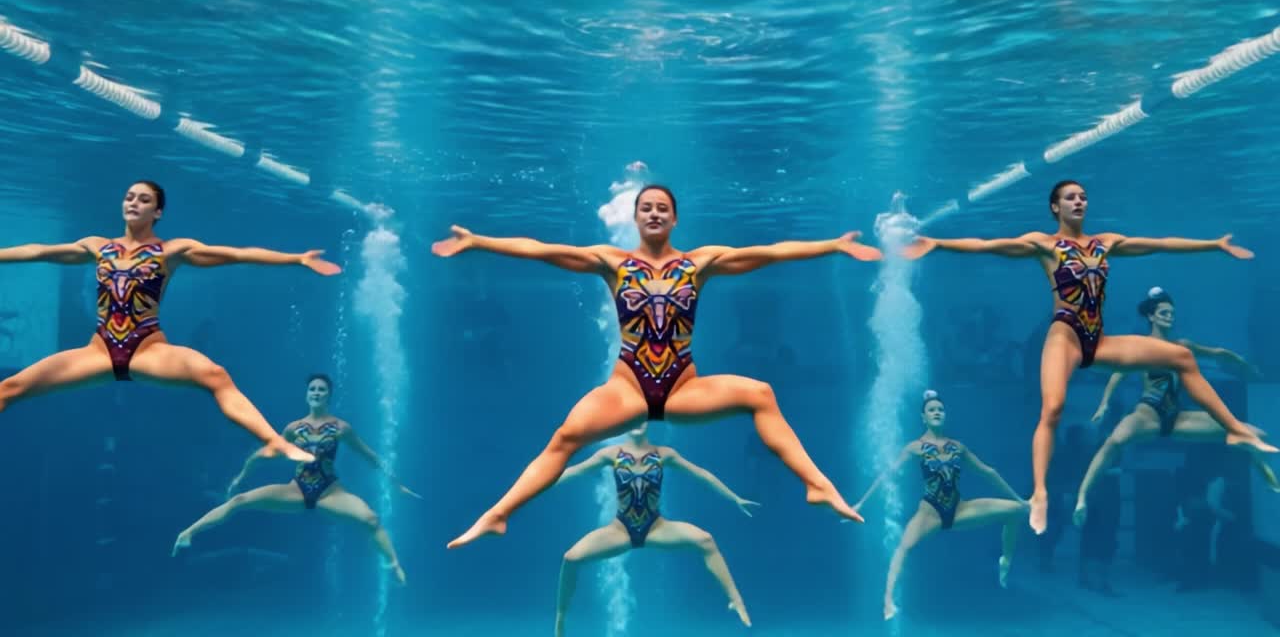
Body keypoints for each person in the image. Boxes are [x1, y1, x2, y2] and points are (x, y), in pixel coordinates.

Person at [433, 184, 882, 548]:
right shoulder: (612, 262)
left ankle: (818, 486)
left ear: (674, 218)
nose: (653, 214)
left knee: (760, 394)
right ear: (635, 217)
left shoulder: (699, 262)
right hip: (627, 387)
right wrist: (478, 241)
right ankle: (498, 514)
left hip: (684, 388)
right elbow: (541, 250)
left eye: (662, 208)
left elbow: (771, 252)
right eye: (645, 208)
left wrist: (833, 246)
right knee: (565, 438)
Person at [904, 179, 1275, 534]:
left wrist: (1214, 244)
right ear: (1055, 207)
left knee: (1182, 356)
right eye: (1070, 197)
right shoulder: (1044, 245)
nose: (1079, 201)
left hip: (1097, 341)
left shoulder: (1105, 243)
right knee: (1052, 410)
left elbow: (1159, 244)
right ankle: (1040, 493)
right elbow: (988, 245)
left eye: (1082, 196)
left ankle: (1238, 431)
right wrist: (937, 243)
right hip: (1064, 338)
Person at [0, 180, 340, 463]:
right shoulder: (97, 247)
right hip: (100, 351)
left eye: (144, 199)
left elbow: (237, 254)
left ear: (157, 212)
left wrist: (296, 259)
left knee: (215, 376)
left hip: (148, 351)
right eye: (129, 197)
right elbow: (37, 251)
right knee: (9, 389)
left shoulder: (172, 251)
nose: (133, 202)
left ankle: (274, 441)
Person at [172, 374, 417, 584]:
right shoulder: (293, 428)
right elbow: (265, 453)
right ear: (306, 394)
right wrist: (241, 477)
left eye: (322, 390)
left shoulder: (341, 427)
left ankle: (393, 566)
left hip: (330, 492)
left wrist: (396, 483)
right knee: (239, 500)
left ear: (328, 396)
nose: (316, 393)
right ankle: (188, 533)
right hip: (296, 489)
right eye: (313, 389)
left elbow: (370, 456)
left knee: (370, 519)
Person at [1074, 286, 1278, 525]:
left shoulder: (1182, 346)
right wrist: (1104, 403)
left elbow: (1217, 353)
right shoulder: (1141, 346)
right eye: (1163, 313)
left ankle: (1259, 462)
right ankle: (1082, 497)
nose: (1169, 317)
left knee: (1255, 433)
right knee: (1114, 442)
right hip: (1147, 414)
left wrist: (1244, 365)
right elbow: (1119, 372)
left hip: (1178, 416)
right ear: (1151, 316)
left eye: (1171, 313)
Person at [552, 422, 755, 636]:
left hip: (656, 528)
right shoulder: (610, 454)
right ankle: (560, 618)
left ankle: (736, 600)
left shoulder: (664, 454)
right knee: (571, 558)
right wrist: (530, 487)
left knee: (705, 540)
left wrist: (735, 499)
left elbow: (702, 474)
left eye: (642, 418)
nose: (638, 423)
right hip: (621, 530)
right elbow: (572, 472)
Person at [853, 390, 1028, 621]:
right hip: (930, 513)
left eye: (940, 410)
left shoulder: (958, 447)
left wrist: (1020, 500)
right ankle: (888, 602)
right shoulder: (915, 447)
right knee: (903, 548)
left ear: (945, 415)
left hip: (960, 509)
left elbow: (988, 472)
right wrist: (861, 504)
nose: (937, 412)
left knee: (1014, 511)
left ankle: (1005, 560)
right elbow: (888, 475)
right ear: (923, 417)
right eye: (932, 410)